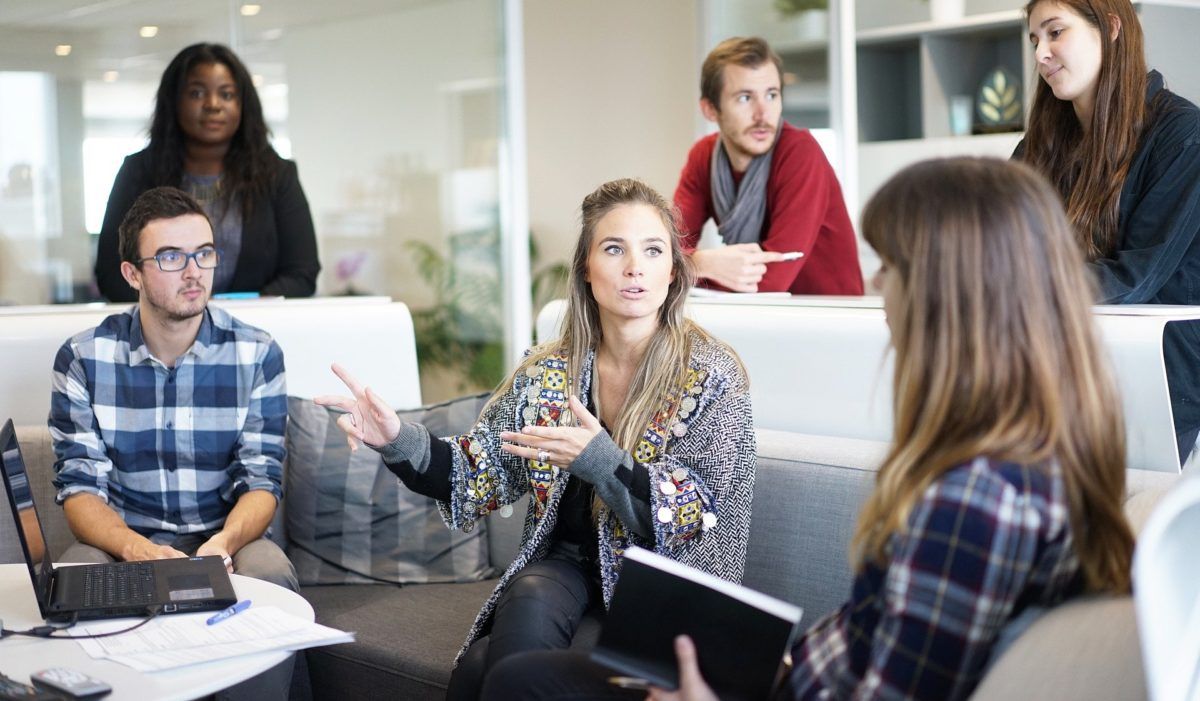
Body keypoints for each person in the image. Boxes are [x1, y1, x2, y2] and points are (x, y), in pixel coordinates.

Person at [489, 158, 1136, 700]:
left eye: (892, 267)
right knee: (513, 673)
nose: (878, 286)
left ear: (954, 294)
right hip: (789, 675)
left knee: (520, 683)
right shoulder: (1022, 458)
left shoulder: (974, 500)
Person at [316, 178, 756, 700]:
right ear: (587, 271)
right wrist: (394, 438)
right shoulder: (549, 371)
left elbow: (697, 519)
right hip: (566, 566)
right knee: (526, 596)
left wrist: (599, 460)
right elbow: (474, 472)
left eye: (653, 250)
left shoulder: (711, 375)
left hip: (665, 587)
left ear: (673, 272)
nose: (634, 266)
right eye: (614, 249)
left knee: (484, 668)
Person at [51, 186, 296, 593]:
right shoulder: (83, 358)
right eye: (170, 257)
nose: (194, 271)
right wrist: (135, 548)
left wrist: (223, 544)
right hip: (123, 539)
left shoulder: (257, 354)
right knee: (72, 578)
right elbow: (79, 488)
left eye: (204, 253)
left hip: (225, 536)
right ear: (133, 274)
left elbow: (261, 480)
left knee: (271, 574)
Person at [1016, 0, 1200, 465]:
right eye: (1035, 39)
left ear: (1111, 28)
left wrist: (1013, 290)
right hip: (1062, 368)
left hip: (1160, 380)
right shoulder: (1038, 146)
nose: (1041, 54)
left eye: (1056, 32)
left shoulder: (1181, 134)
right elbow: (1002, 248)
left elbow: (1135, 277)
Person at [95, 42, 320, 302]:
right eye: (196, 94)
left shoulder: (278, 175)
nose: (213, 105)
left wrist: (237, 315)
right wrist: (179, 311)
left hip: (254, 331)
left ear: (243, 104)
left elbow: (302, 273)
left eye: (227, 94)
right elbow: (112, 275)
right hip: (162, 334)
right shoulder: (138, 172)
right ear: (174, 101)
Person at [673, 36, 863, 295]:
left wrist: (686, 267)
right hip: (759, 317)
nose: (763, 114)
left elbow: (771, 281)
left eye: (771, 95)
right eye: (744, 98)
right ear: (710, 110)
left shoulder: (800, 152)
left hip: (828, 319)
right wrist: (701, 262)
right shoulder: (703, 156)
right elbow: (664, 251)